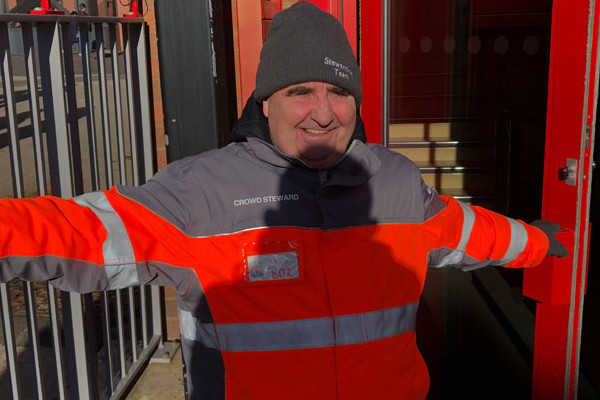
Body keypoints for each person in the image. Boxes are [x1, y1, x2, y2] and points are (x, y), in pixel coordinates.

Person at [0, 2, 567, 399]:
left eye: (339, 92)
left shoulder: (393, 183)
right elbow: (78, 230)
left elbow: (465, 232)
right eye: (300, 92)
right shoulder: (201, 193)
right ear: (265, 101)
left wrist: (540, 243)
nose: (323, 112)